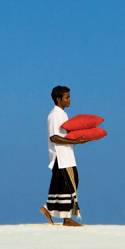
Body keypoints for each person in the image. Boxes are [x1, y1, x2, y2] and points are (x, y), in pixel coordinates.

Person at [40, 86, 90, 226]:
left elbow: (67, 134)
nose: (69, 100)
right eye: (67, 97)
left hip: (67, 155)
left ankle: (48, 209)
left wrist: (81, 138)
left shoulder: (63, 115)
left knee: (61, 185)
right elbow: (54, 137)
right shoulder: (54, 115)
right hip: (60, 157)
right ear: (58, 99)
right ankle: (67, 219)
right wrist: (75, 141)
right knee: (69, 185)